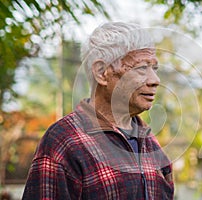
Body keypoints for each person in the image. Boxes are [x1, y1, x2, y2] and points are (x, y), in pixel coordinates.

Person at [22, 22, 174, 200]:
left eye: (154, 68)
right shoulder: (63, 142)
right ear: (102, 72)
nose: (155, 79)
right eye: (142, 68)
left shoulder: (149, 142)